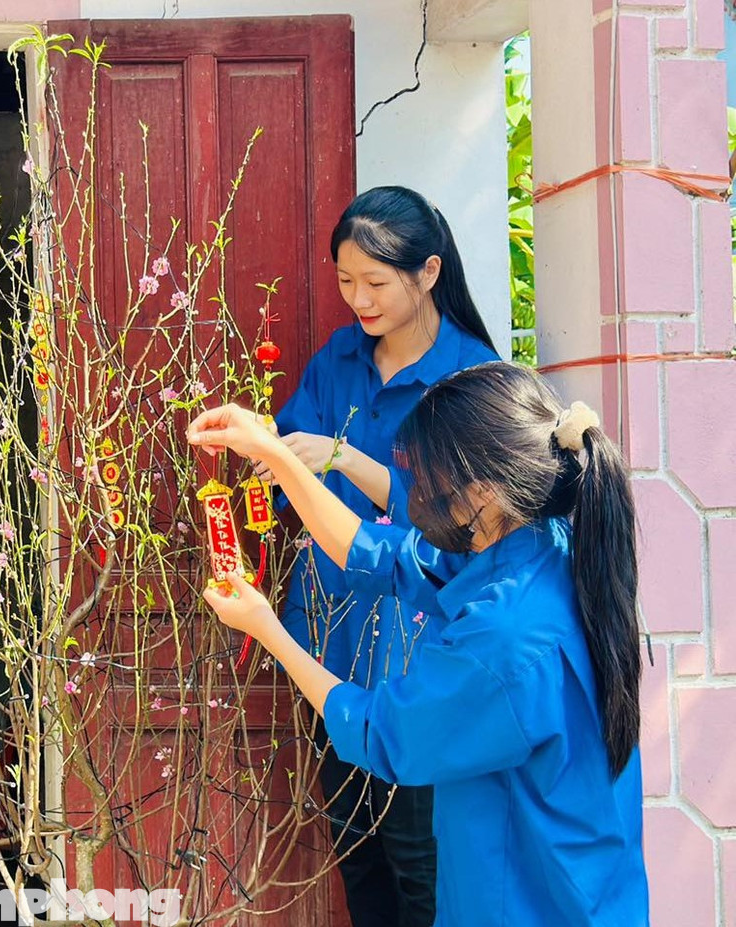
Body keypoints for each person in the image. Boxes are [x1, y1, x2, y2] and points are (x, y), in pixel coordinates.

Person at [188, 362, 649, 926]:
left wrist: (267, 630)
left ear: (484, 491)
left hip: (531, 905)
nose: (418, 495)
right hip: (591, 890)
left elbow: (381, 731)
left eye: (430, 481)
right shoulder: (543, 545)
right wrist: (277, 456)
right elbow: (376, 555)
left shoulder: (506, 640)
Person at [262, 186, 496, 927]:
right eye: (344, 280)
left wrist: (346, 460)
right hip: (329, 646)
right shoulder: (339, 359)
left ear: (428, 272)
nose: (356, 299)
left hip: (418, 660)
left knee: (419, 865)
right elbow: (290, 479)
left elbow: (466, 527)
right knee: (357, 856)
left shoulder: (473, 380)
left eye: (375, 282)